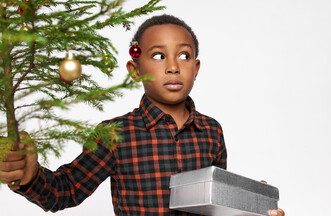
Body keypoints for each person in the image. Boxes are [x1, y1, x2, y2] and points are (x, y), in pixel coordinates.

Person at [0, 15, 285, 216]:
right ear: (135, 69)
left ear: (196, 68)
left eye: (184, 56)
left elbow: (215, 205)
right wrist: (30, 177)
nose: (173, 67)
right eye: (159, 56)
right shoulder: (115, 134)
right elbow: (66, 190)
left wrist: (246, 207)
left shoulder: (212, 131)